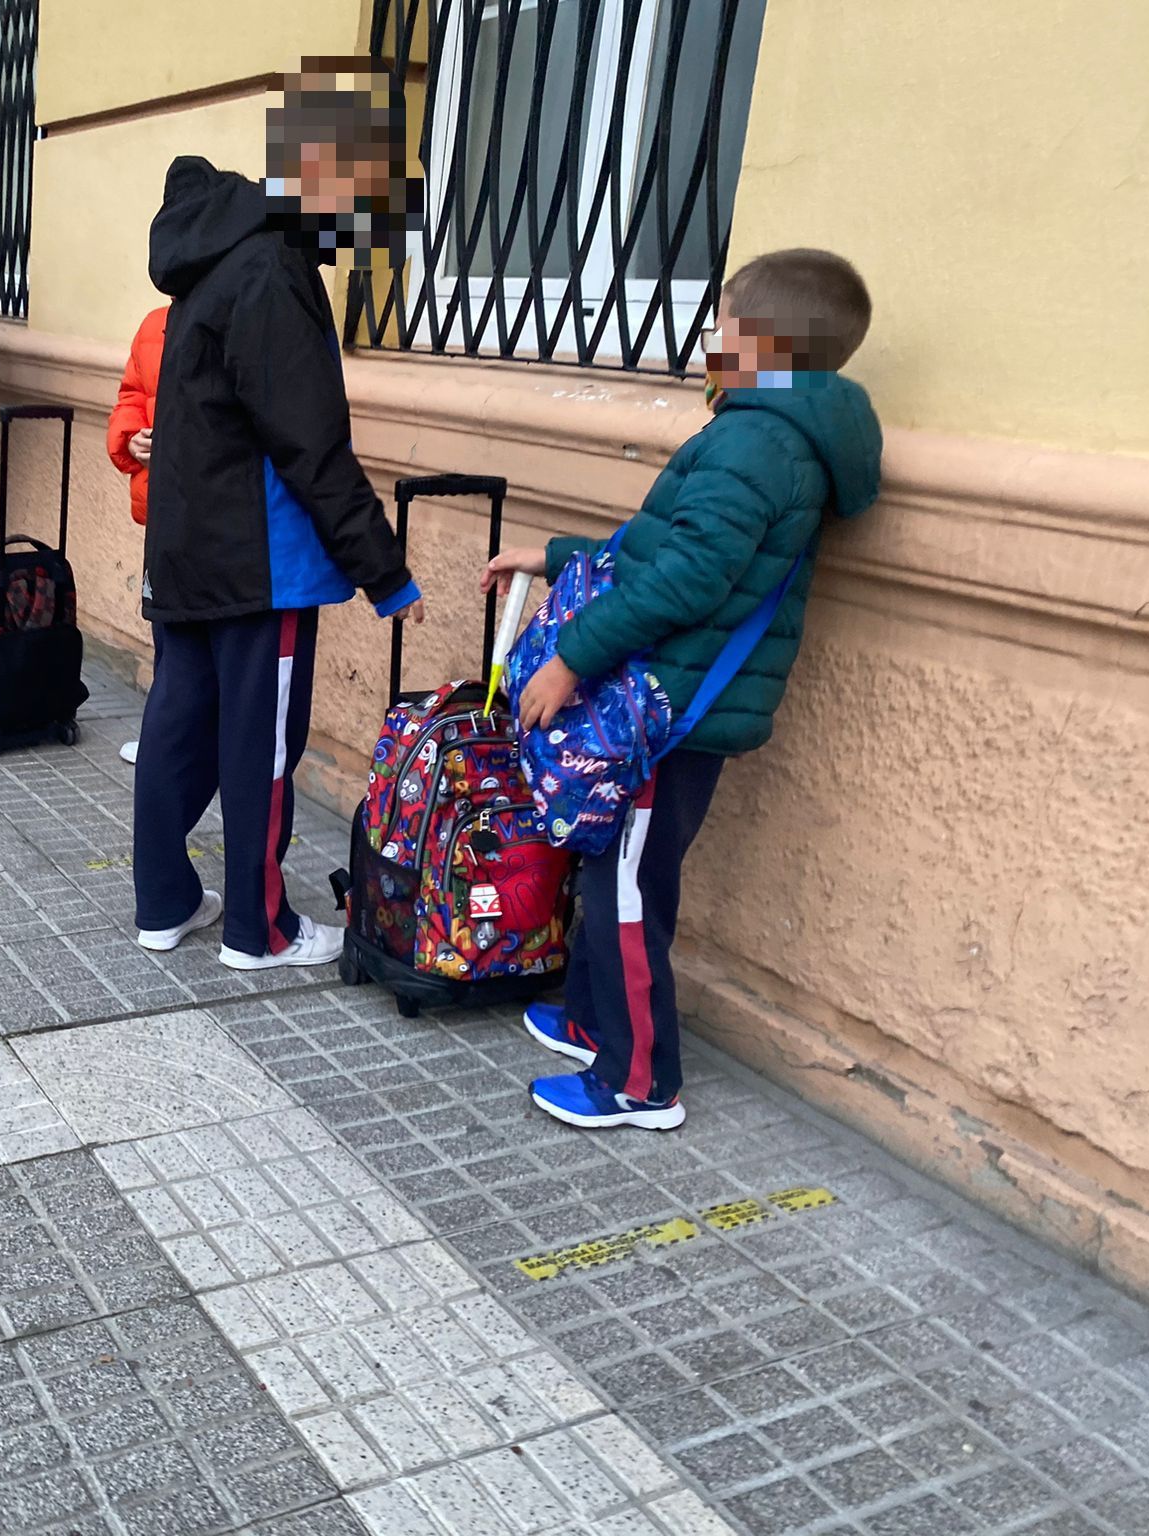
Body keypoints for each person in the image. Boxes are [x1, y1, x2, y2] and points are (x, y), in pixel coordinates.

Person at [484, 249, 883, 1131]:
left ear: (761, 341)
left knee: (630, 884)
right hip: (670, 697)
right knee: (610, 859)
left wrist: (570, 658)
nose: (708, 338)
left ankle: (640, 1081)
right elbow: (664, 547)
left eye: (721, 320)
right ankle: (592, 1019)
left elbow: (687, 582)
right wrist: (553, 556)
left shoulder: (758, 440)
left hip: (669, 709)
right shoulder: (762, 429)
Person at [133, 65, 425, 971]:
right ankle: (262, 931)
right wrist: (384, 570)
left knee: (177, 726)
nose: (381, 213)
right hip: (262, 563)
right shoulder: (271, 270)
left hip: (188, 551)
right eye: (376, 188)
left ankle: (164, 903)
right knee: (258, 747)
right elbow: (310, 444)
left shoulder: (208, 266)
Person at [105, 302, 167, 766]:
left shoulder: (239, 310)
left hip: (215, 511)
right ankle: (168, 733)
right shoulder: (155, 324)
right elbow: (131, 394)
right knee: (166, 629)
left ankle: (178, 737)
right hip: (163, 509)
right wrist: (129, 438)